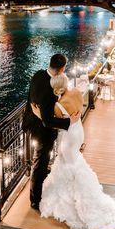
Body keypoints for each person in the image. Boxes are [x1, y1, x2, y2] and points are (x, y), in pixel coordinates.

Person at [39, 73, 115, 229]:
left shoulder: (58, 105)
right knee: (75, 163)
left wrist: (38, 112)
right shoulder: (75, 92)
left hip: (68, 138)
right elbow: (78, 111)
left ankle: (75, 201)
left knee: (68, 166)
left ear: (55, 88)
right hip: (78, 132)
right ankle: (78, 193)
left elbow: (52, 124)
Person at [22, 54, 80, 211]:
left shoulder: (38, 74)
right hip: (42, 131)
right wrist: (69, 121)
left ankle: (43, 176)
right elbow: (47, 121)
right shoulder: (49, 90)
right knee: (39, 163)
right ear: (62, 69)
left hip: (31, 122)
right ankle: (35, 200)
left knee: (42, 161)